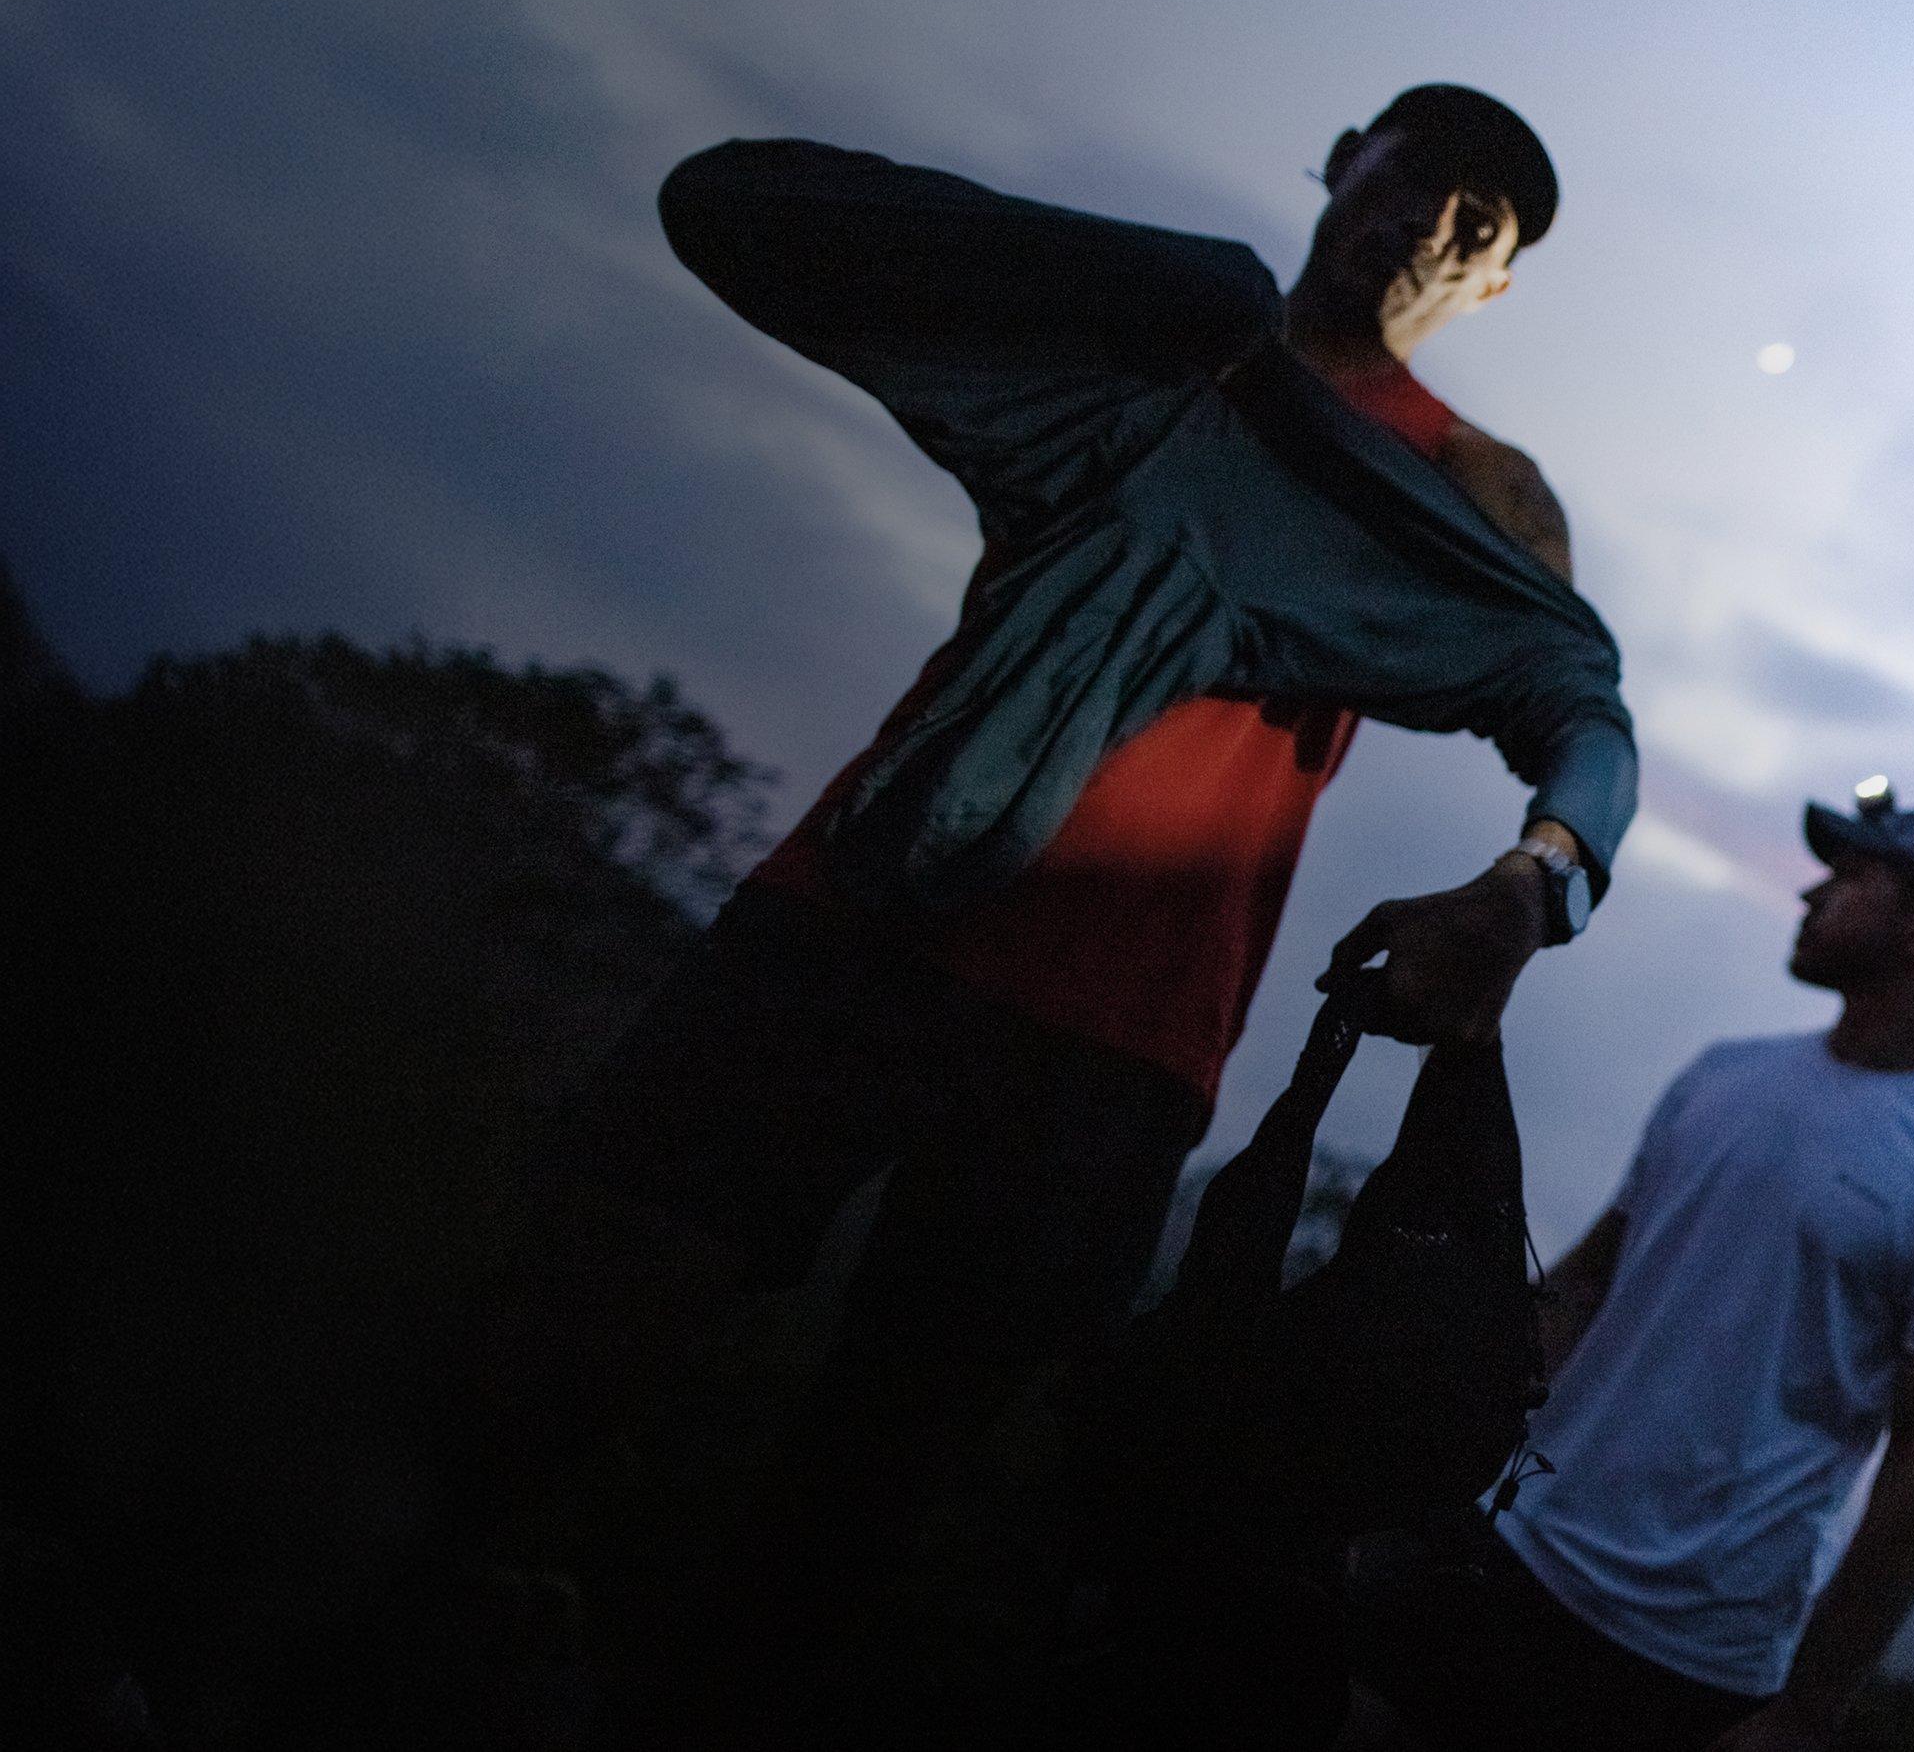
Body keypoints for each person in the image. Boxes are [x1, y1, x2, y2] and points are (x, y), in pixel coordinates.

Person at [441, 85, 1637, 1729]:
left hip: (1115, 1040)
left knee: (863, 1507)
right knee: (544, 1349)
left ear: (1491, 285)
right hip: (856, 916)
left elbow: (1579, 708)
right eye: (1420, 168)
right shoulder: (1134, 356)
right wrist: (1188, 296)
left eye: (1483, 225)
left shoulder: (1473, 495)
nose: (1438, 222)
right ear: (1345, 153)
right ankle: (400, 1637)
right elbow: (740, 203)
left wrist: (1529, 882)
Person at [1350, 780, 1914, 1751]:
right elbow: (1582, 1282)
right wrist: (1444, 1472)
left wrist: (1807, 1708)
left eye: (1851, 879)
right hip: (1513, 1545)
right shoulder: (1725, 1075)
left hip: (1690, 1649)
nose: (1810, 894)